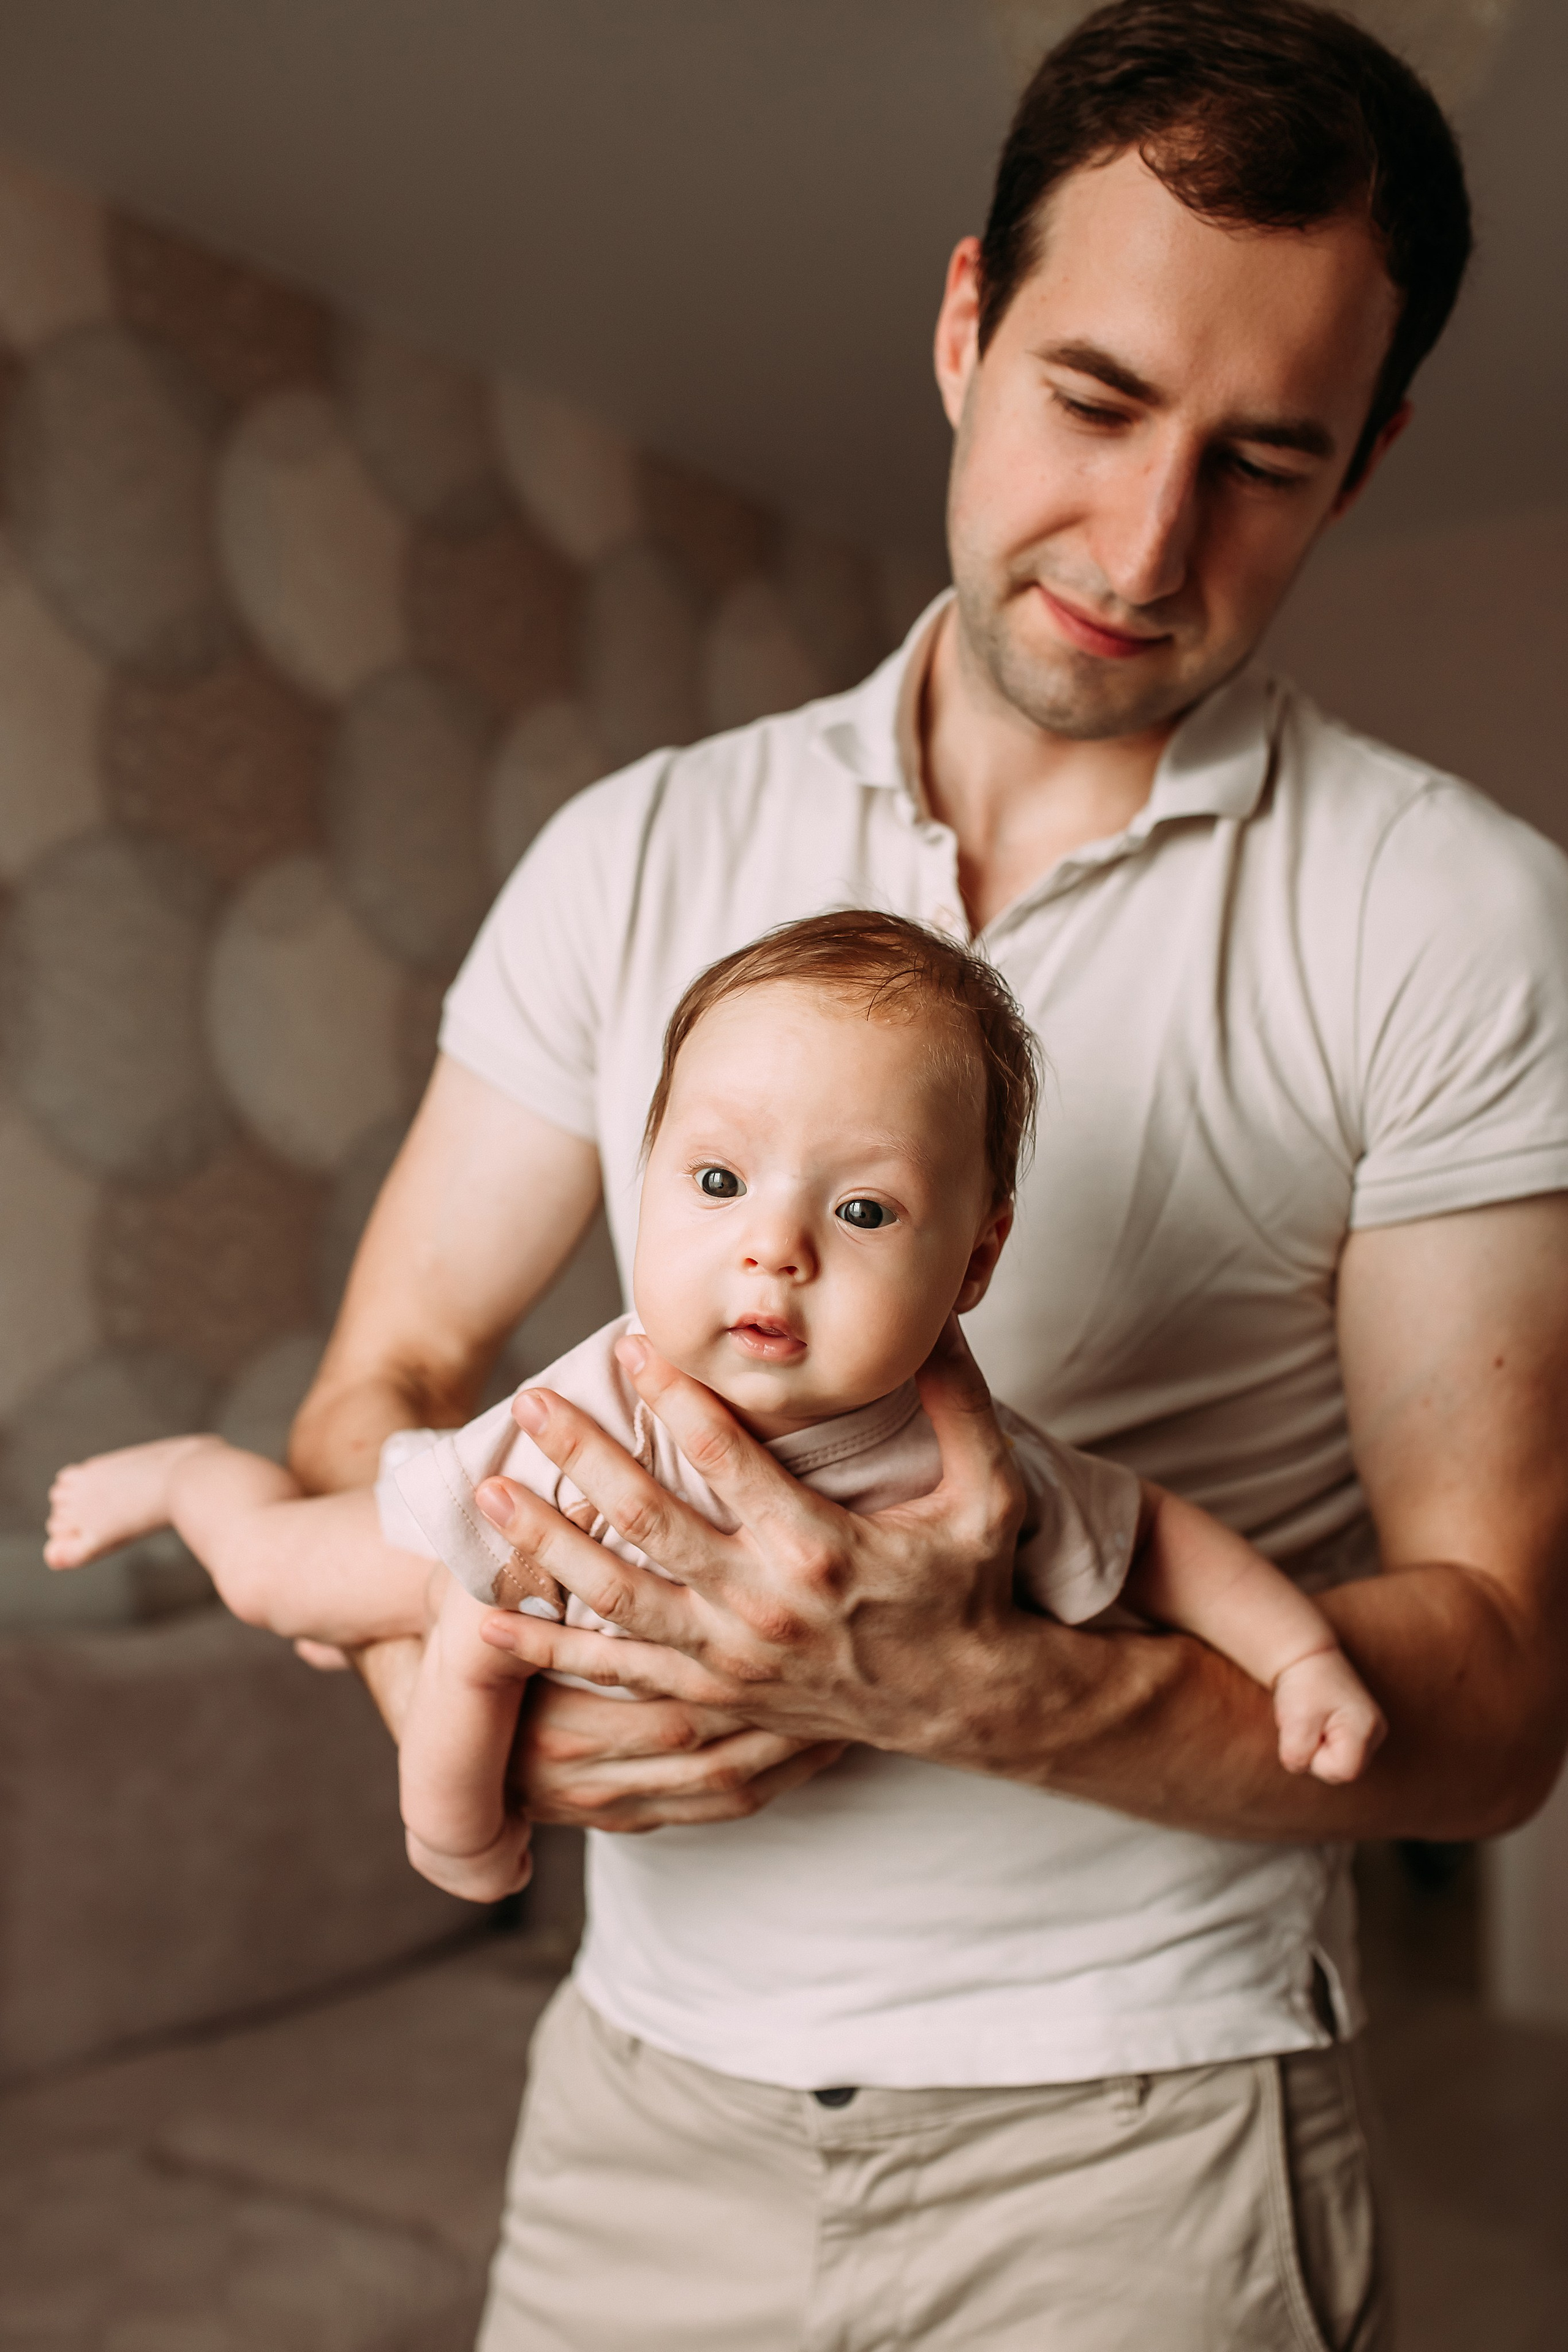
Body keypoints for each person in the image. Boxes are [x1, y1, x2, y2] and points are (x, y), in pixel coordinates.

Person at [284, 2, 1568, 2345]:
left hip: (1147, 2144)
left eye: (1266, 459)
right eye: (1093, 403)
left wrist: (981, 1688)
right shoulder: (637, 848)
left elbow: (1492, 1705)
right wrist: (476, 1702)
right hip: (642, 2111)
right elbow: (379, 1387)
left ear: (1367, 464)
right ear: (967, 322)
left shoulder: (1454, 919)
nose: (1150, 541)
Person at [45, 915, 1384, 1902]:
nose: (773, 1248)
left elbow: (1145, 1534)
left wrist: (1299, 1657)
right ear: (643, 1181)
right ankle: (184, 1480)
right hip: (462, 1539)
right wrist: (455, 1832)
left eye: (861, 1209)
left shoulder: (957, 1467)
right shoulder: (595, 1418)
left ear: (974, 1258)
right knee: (284, 1575)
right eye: (715, 1180)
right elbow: (471, 1638)